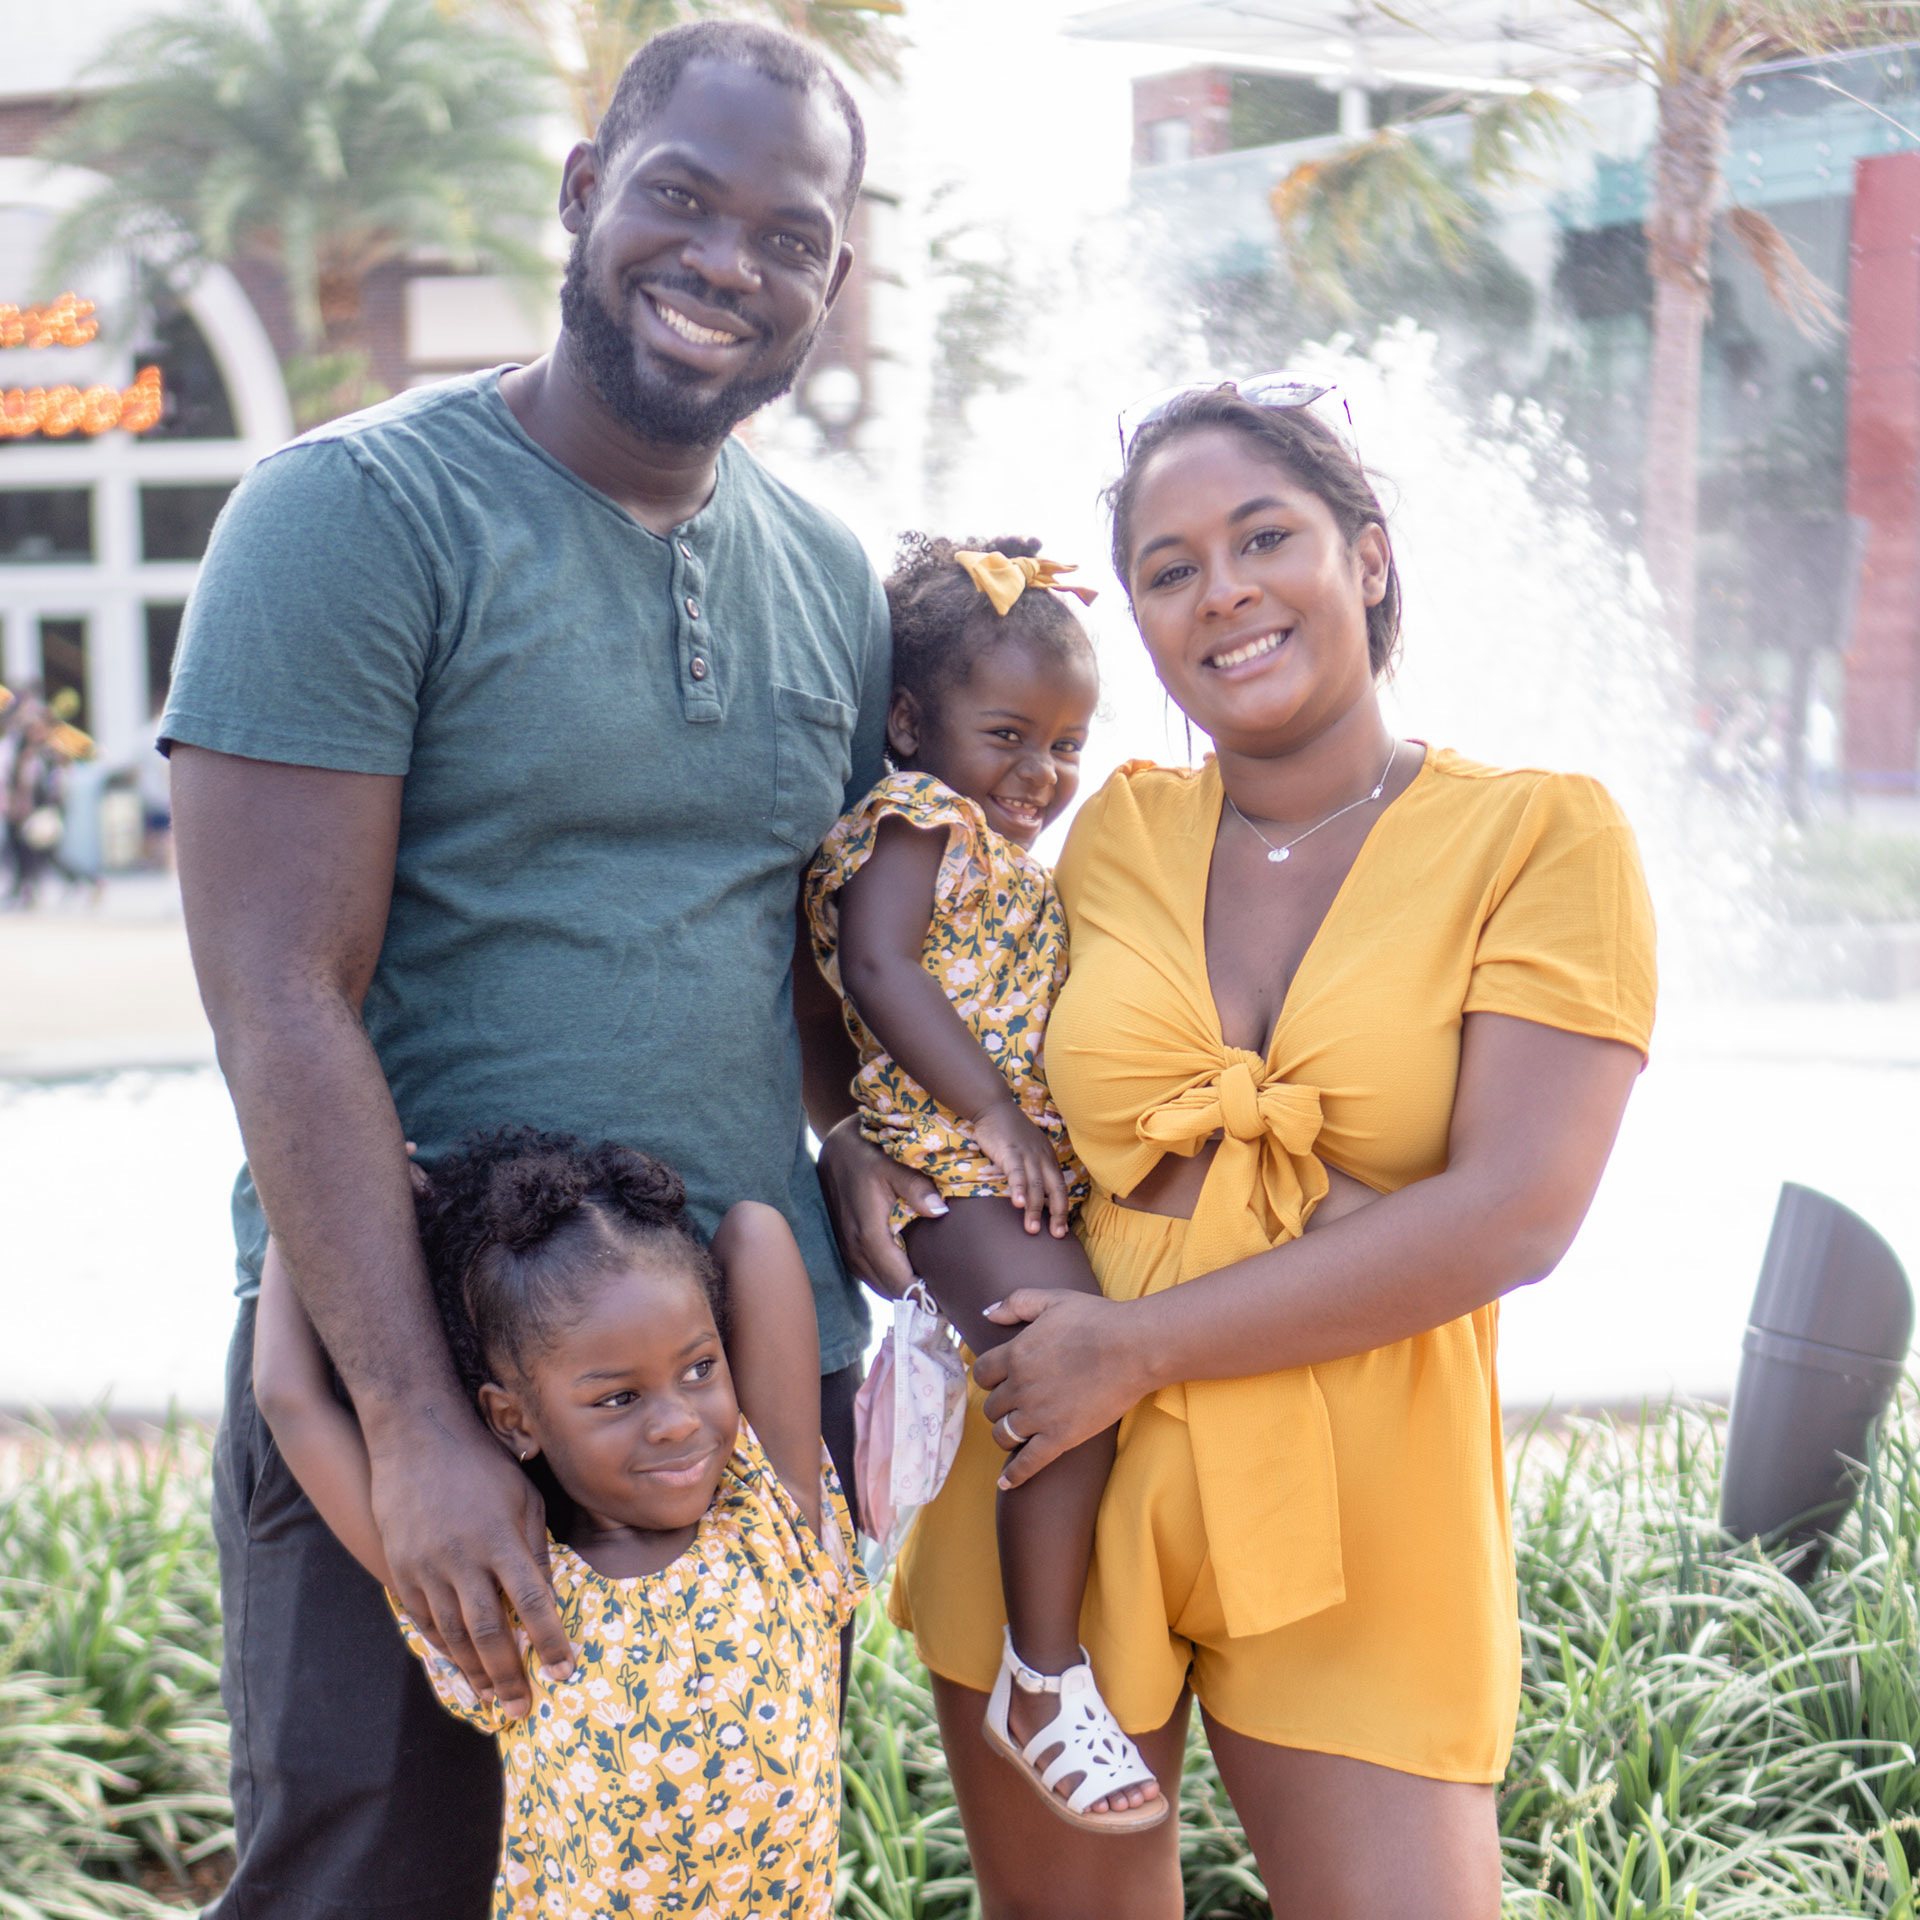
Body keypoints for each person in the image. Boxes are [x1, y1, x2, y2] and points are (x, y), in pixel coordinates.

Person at [160, 23, 923, 1912]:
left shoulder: (830, 581)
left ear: (834, 282)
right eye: (682, 195)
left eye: (791, 234)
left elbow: (820, 986)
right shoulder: (352, 517)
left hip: (730, 1435)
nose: (728, 261)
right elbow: (277, 994)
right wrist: (421, 1430)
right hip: (427, 1395)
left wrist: (899, 1161)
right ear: (584, 195)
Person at [880, 385, 1656, 1919]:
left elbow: (1512, 1213)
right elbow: (908, 974)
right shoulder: (1111, 835)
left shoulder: (1542, 839)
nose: (1220, 588)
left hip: (1359, 1494)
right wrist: (855, 1140)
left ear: (1365, 558)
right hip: (1054, 1467)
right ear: (1145, 632)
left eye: (1261, 537)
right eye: (1168, 569)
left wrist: (1142, 1344)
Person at [252, 1129, 863, 1920]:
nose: (679, 1422)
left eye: (698, 1369)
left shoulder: (775, 1523)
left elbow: (754, 1231)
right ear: (512, 1420)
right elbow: (288, 1398)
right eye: (618, 1398)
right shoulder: (508, 1596)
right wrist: (311, 1203)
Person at [805, 534, 1161, 1831]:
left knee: (1071, 1384)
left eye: (1067, 746)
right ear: (910, 720)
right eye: (1009, 734)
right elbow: (886, 970)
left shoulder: (985, 843)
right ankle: (1042, 1675)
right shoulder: (919, 820)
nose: (1042, 775)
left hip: (985, 1162)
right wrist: (996, 1111)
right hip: (953, 1164)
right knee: (1075, 1385)